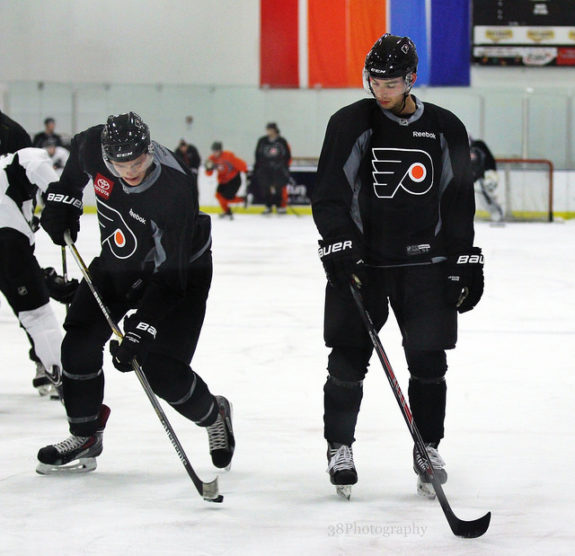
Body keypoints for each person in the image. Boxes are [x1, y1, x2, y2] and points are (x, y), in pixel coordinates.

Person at [312, 33, 484, 500]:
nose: (381, 90)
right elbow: (330, 191)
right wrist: (339, 243)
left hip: (425, 264)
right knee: (347, 358)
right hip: (364, 264)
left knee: (429, 360)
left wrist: (464, 259)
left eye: (390, 82)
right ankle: (340, 446)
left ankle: (427, 446)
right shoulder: (351, 122)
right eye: (374, 81)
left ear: (411, 79)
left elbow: (457, 200)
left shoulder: (446, 127)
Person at [37, 112, 235, 474]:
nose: (130, 171)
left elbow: (169, 275)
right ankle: (85, 434)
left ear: (149, 149)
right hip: (119, 259)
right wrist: (64, 201)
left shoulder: (174, 187)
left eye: (138, 161)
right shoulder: (94, 147)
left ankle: (214, 414)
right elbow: (78, 157)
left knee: (160, 369)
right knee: (78, 342)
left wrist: (142, 327)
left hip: (180, 272)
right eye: (120, 164)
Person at [0, 147, 77, 399]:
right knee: (37, 316)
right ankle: (67, 382)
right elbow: (52, 184)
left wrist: (40, 277)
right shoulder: (25, 156)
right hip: (8, 242)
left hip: (11, 248)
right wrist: (62, 205)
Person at [253, 123, 291, 215]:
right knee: (266, 187)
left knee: (278, 187)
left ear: (274, 130)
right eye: (267, 129)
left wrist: (284, 166)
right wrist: (258, 166)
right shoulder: (262, 141)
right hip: (265, 168)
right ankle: (268, 206)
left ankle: (278, 206)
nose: (268, 132)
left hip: (279, 168)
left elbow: (287, 155)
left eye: (270, 129)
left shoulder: (281, 141)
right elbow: (258, 154)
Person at [204, 141, 247, 220]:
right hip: (223, 181)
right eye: (214, 151)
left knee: (227, 197)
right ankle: (227, 211)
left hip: (234, 179)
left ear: (220, 150)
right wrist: (209, 168)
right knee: (218, 195)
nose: (215, 153)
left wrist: (246, 171)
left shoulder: (228, 156)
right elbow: (208, 174)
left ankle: (242, 199)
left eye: (216, 151)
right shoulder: (211, 159)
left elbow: (240, 164)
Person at [469, 136, 504, 223]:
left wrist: (474, 177)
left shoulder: (475, 148)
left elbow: (479, 164)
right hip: (486, 174)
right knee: (483, 193)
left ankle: (497, 213)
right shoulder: (475, 147)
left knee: (485, 191)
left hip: (487, 174)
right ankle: (496, 213)